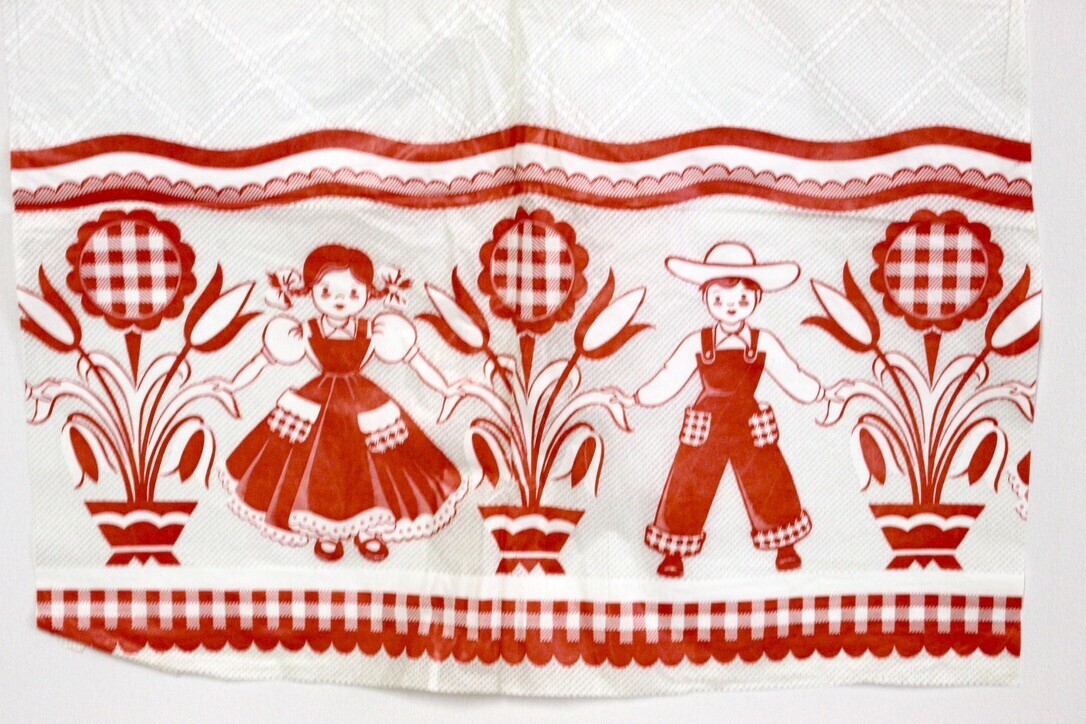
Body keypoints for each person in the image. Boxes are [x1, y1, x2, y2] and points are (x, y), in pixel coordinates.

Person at [219, 243, 468, 563]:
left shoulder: (377, 330)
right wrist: (232, 384)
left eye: (353, 293)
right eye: (326, 291)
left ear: (368, 293)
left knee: (374, 466)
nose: (340, 300)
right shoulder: (300, 332)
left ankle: (369, 529)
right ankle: (327, 531)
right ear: (310, 290)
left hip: (364, 402)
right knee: (321, 466)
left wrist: (445, 386)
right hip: (317, 404)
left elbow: (414, 360)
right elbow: (263, 360)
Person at [615, 242, 844, 578]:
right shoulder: (697, 342)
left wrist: (821, 393)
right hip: (706, 421)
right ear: (705, 298)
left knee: (768, 478)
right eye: (720, 299)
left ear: (757, 299)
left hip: (749, 420)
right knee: (689, 480)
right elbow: (670, 376)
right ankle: (673, 552)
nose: (731, 307)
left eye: (742, 299)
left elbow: (791, 374)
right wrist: (637, 398)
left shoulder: (763, 342)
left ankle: (785, 545)